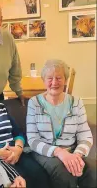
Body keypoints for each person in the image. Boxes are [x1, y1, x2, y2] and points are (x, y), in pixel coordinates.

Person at [26, 59, 96, 188]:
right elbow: (32, 140)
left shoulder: (76, 102)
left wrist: (77, 155)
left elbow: (85, 135)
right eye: (50, 78)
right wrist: (59, 152)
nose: (54, 82)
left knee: (92, 171)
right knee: (63, 172)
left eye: (59, 78)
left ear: (65, 80)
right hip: (46, 153)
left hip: (72, 150)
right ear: (44, 80)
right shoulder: (34, 103)